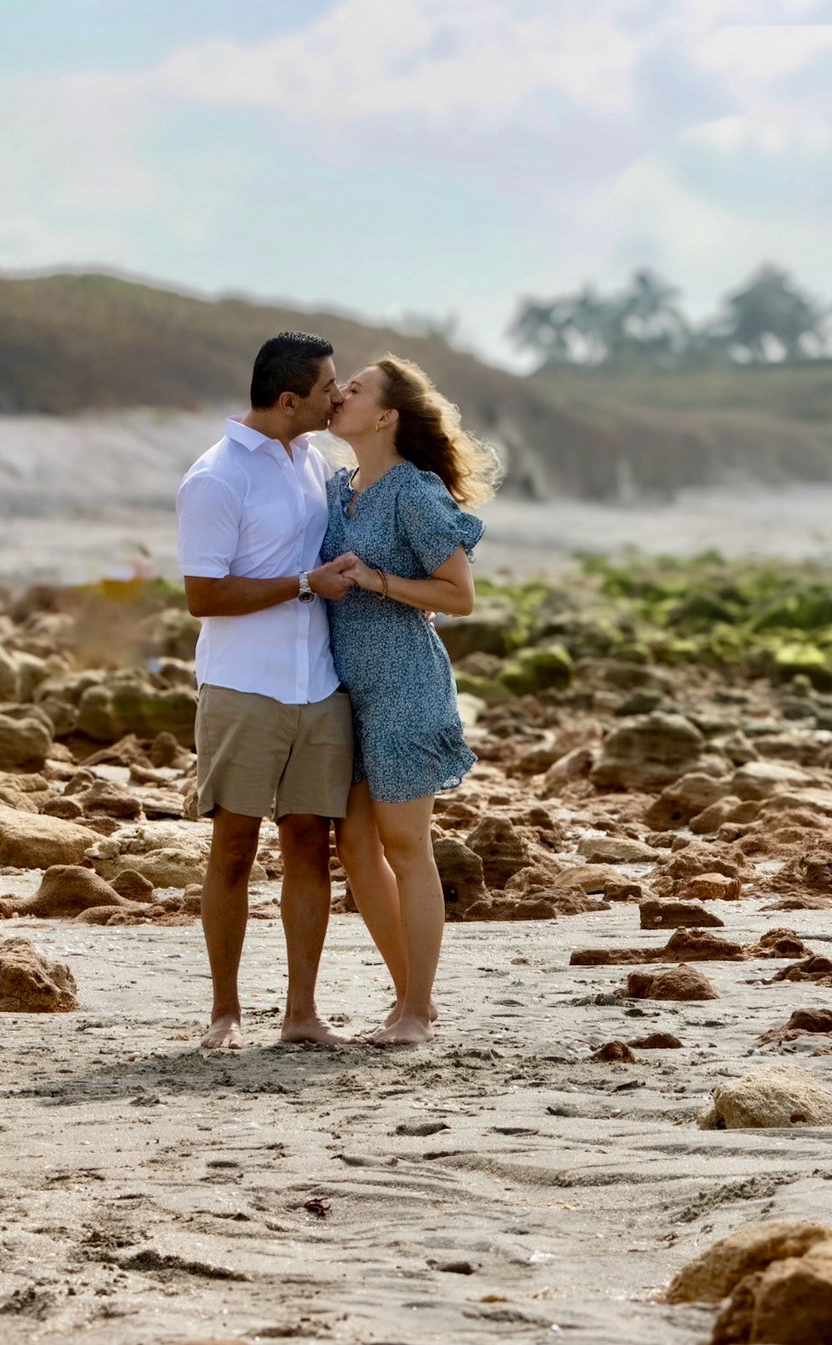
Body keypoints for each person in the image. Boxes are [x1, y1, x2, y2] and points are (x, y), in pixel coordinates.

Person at [176, 331, 357, 1050]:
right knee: (233, 847)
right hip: (243, 685)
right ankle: (224, 1012)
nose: (337, 396)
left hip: (319, 683)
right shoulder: (216, 478)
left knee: (310, 845)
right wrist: (305, 584)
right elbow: (203, 595)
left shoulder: (313, 460)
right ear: (288, 400)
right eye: (326, 387)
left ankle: (301, 1014)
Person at [323, 355, 498, 1045]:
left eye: (355, 388)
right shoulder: (337, 489)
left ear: (386, 416)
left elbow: (460, 596)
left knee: (405, 844)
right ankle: (406, 1000)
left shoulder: (413, 492)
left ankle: (418, 1012)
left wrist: (378, 580)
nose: (340, 393)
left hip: (405, 686)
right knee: (355, 847)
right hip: (343, 692)